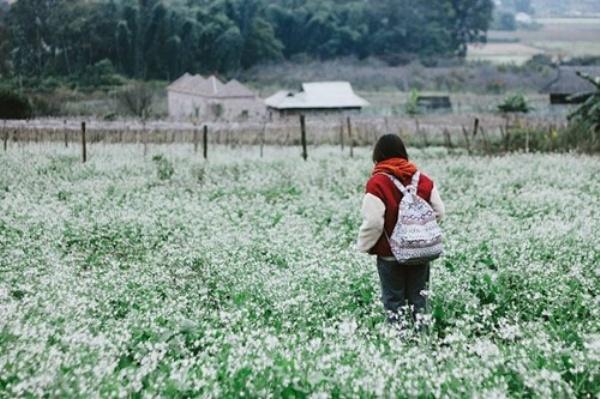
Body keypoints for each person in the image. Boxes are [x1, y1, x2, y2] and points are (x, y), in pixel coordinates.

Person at [357, 134, 445, 326]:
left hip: (390, 256)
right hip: (420, 252)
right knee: (419, 301)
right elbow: (439, 211)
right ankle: (422, 343)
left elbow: (374, 222)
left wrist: (364, 246)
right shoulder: (423, 180)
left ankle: (399, 345)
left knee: (394, 303)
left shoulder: (377, 183)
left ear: (378, 155)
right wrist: (418, 230)